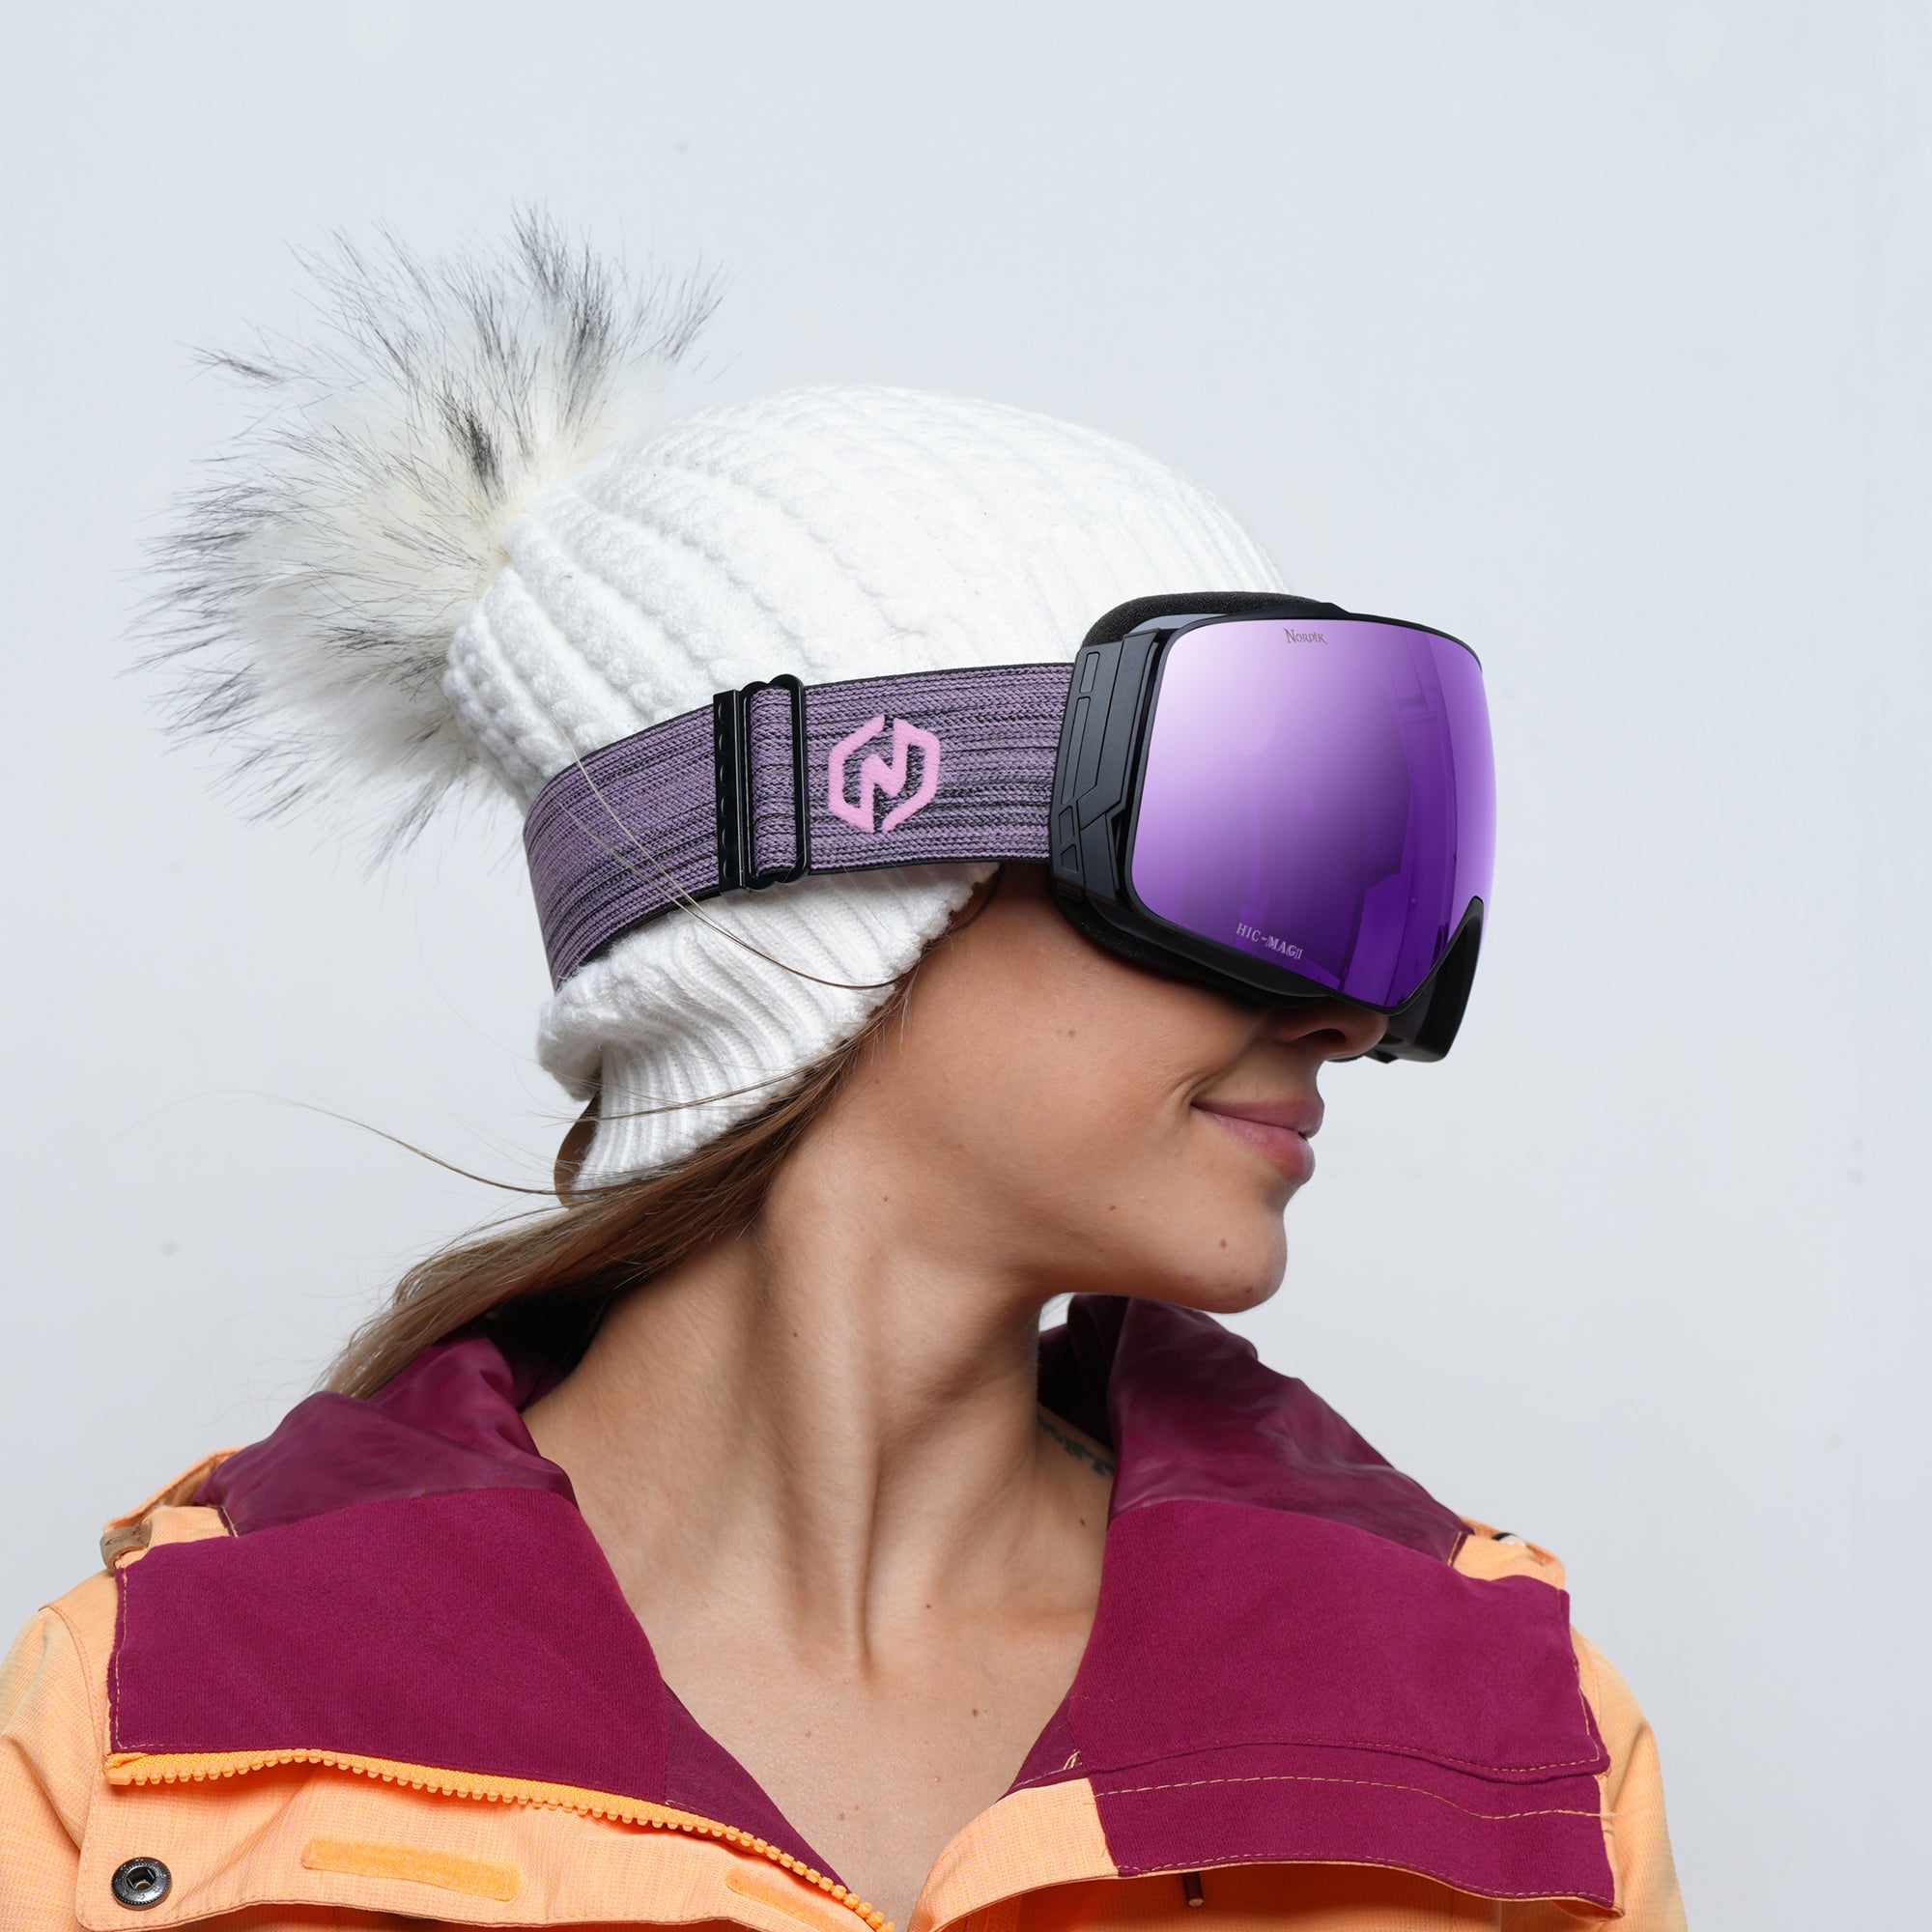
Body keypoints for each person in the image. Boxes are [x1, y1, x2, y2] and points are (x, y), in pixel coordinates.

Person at [0, 222, 1685, 1930]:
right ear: (847, 844)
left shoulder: (1508, 1741)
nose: (1346, 1014)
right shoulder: (157, 1743)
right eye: (1246, 843)